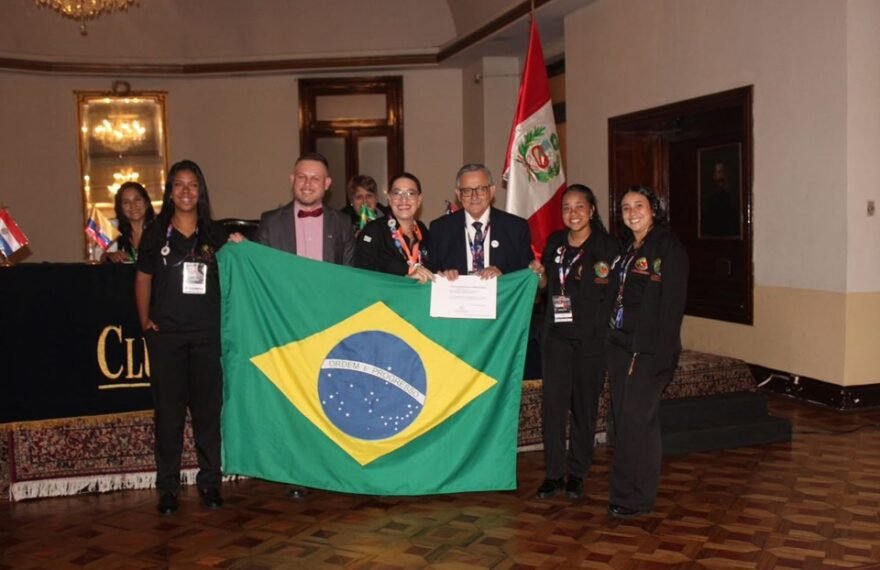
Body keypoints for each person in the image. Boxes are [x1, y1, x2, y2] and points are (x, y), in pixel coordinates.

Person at [135, 160, 233, 515]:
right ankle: (168, 487)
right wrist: (145, 321)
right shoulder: (155, 233)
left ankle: (210, 482)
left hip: (207, 337)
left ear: (200, 190)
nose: (186, 191)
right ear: (170, 191)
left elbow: (237, 272)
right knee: (169, 416)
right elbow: (143, 278)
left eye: (193, 185)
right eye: (179, 184)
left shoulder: (215, 234)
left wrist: (238, 244)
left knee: (208, 414)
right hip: (167, 339)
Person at [529, 185, 620, 500]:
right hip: (556, 338)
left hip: (591, 341)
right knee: (553, 408)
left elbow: (614, 295)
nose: (573, 213)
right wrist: (538, 275)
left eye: (579, 206)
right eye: (567, 207)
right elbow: (546, 287)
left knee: (584, 408)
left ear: (592, 210)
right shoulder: (555, 242)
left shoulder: (608, 247)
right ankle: (554, 474)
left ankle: (577, 474)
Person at [604, 185, 688, 519]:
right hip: (619, 346)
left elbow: (672, 306)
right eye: (625, 207)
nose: (632, 212)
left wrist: (659, 354)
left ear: (654, 209)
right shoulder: (626, 248)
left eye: (639, 205)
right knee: (629, 421)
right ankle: (628, 492)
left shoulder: (668, 247)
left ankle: (635, 498)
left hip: (649, 350)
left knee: (636, 421)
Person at [428, 163, 532, 279]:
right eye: (467, 191)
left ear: (492, 191)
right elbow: (431, 276)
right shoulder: (439, 229)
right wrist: (443, 277)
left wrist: (503, 279)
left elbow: (527, 277)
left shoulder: (516, 228)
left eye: (481, 189)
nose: (474, 196)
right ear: (458, 195)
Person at [256, 152, 355, 266]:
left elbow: (348, 272)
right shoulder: (271, 222)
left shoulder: (342, 223)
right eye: (301, 177)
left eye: (315, 178)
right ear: (292, 180)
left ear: (327, 184)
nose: (307, 184)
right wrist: (242, 246)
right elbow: (258, 265)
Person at [353, 172, 433, 284]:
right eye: (397, 193)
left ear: (419, 200)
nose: (403, 199)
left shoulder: (423, 230)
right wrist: (404, 280)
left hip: (421, 294)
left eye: (410, 193)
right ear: (389, 199)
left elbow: (434, 267)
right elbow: (362, 276)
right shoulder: (373, 231)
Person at [102, 181, 156, 263]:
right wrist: (109, 256)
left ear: (146, 202)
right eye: (126, 202)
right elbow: (99, 256)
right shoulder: (113, 228)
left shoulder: (161, 228)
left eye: (137, 200)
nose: (133, 206)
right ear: (120, 207)